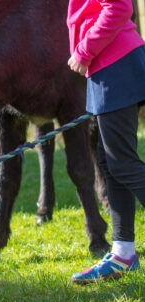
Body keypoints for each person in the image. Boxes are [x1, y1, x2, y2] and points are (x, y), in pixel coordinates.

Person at [67, 0, 145, 284]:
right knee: (109, 164)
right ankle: (123, 255)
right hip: (104, 67)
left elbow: (119, 7)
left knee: (121, 162)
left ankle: (123, 255)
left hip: (115, 63)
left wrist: (85, 49)